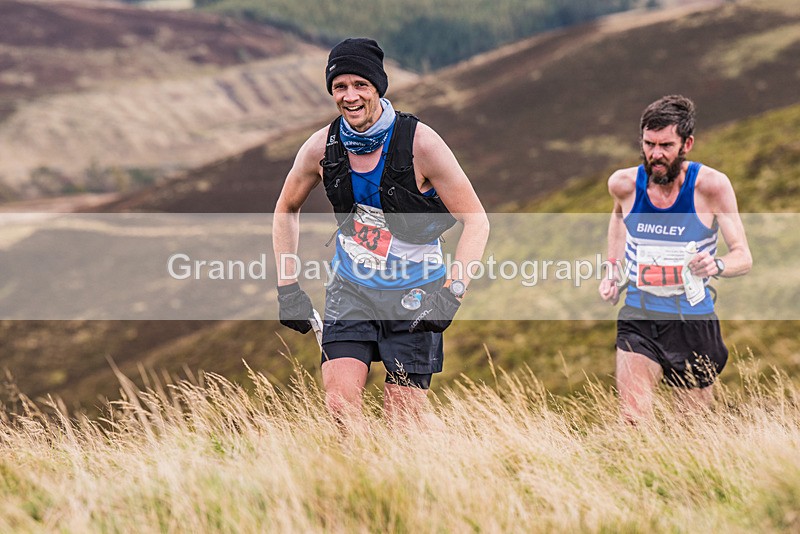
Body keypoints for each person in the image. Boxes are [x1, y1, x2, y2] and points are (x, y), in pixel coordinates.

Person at [273, 38, 489, 428]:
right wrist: (288, 287)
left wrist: (452, 293)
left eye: (361, 85)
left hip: (416, 297)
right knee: (340, 410)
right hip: (350, 290)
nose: (350, 96)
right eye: (340, 86)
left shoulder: (421, 144)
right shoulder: (321, 147)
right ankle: (348, 486)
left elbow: (476, 219)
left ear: (378, 88)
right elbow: (286, 208)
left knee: (402, 425)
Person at [599, 95, 752, 423]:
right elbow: (616, 220)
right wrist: (612, 271)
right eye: (648, 144)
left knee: (693, 429)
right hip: (639, 315)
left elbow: (744, 256)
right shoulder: (623, 185)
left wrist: (718, 265)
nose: (655, 154)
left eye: (666, 145)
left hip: (693, 321)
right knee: (632, 419)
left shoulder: (711, 187)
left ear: (687, 144)